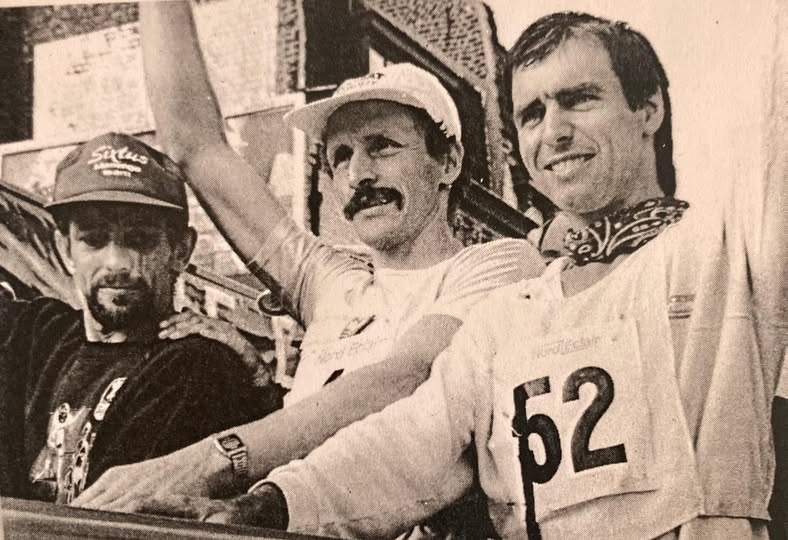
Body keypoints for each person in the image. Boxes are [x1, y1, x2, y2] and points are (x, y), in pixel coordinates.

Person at [125, 11, 785, 539]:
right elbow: (411, 443)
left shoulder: (727, 251)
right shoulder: (511, 315)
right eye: (531, 114)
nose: (554, 132)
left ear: (649, 110)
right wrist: (261, 507)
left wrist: (220, 462)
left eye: (579, 100)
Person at [74, 0, 544, 517]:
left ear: (448, 161)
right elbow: (195, 146)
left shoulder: (502, 267)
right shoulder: (332, 284)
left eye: (382, 146)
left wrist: (213, 459)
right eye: (340, 156)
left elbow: (405, 376)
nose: (358, 175)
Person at [0, 132, 278, 505]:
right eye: (94, 240)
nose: (116, 262)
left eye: (139, 240)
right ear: (66, 249)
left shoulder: (193, 367)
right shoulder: (41, 334)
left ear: (180, 251)